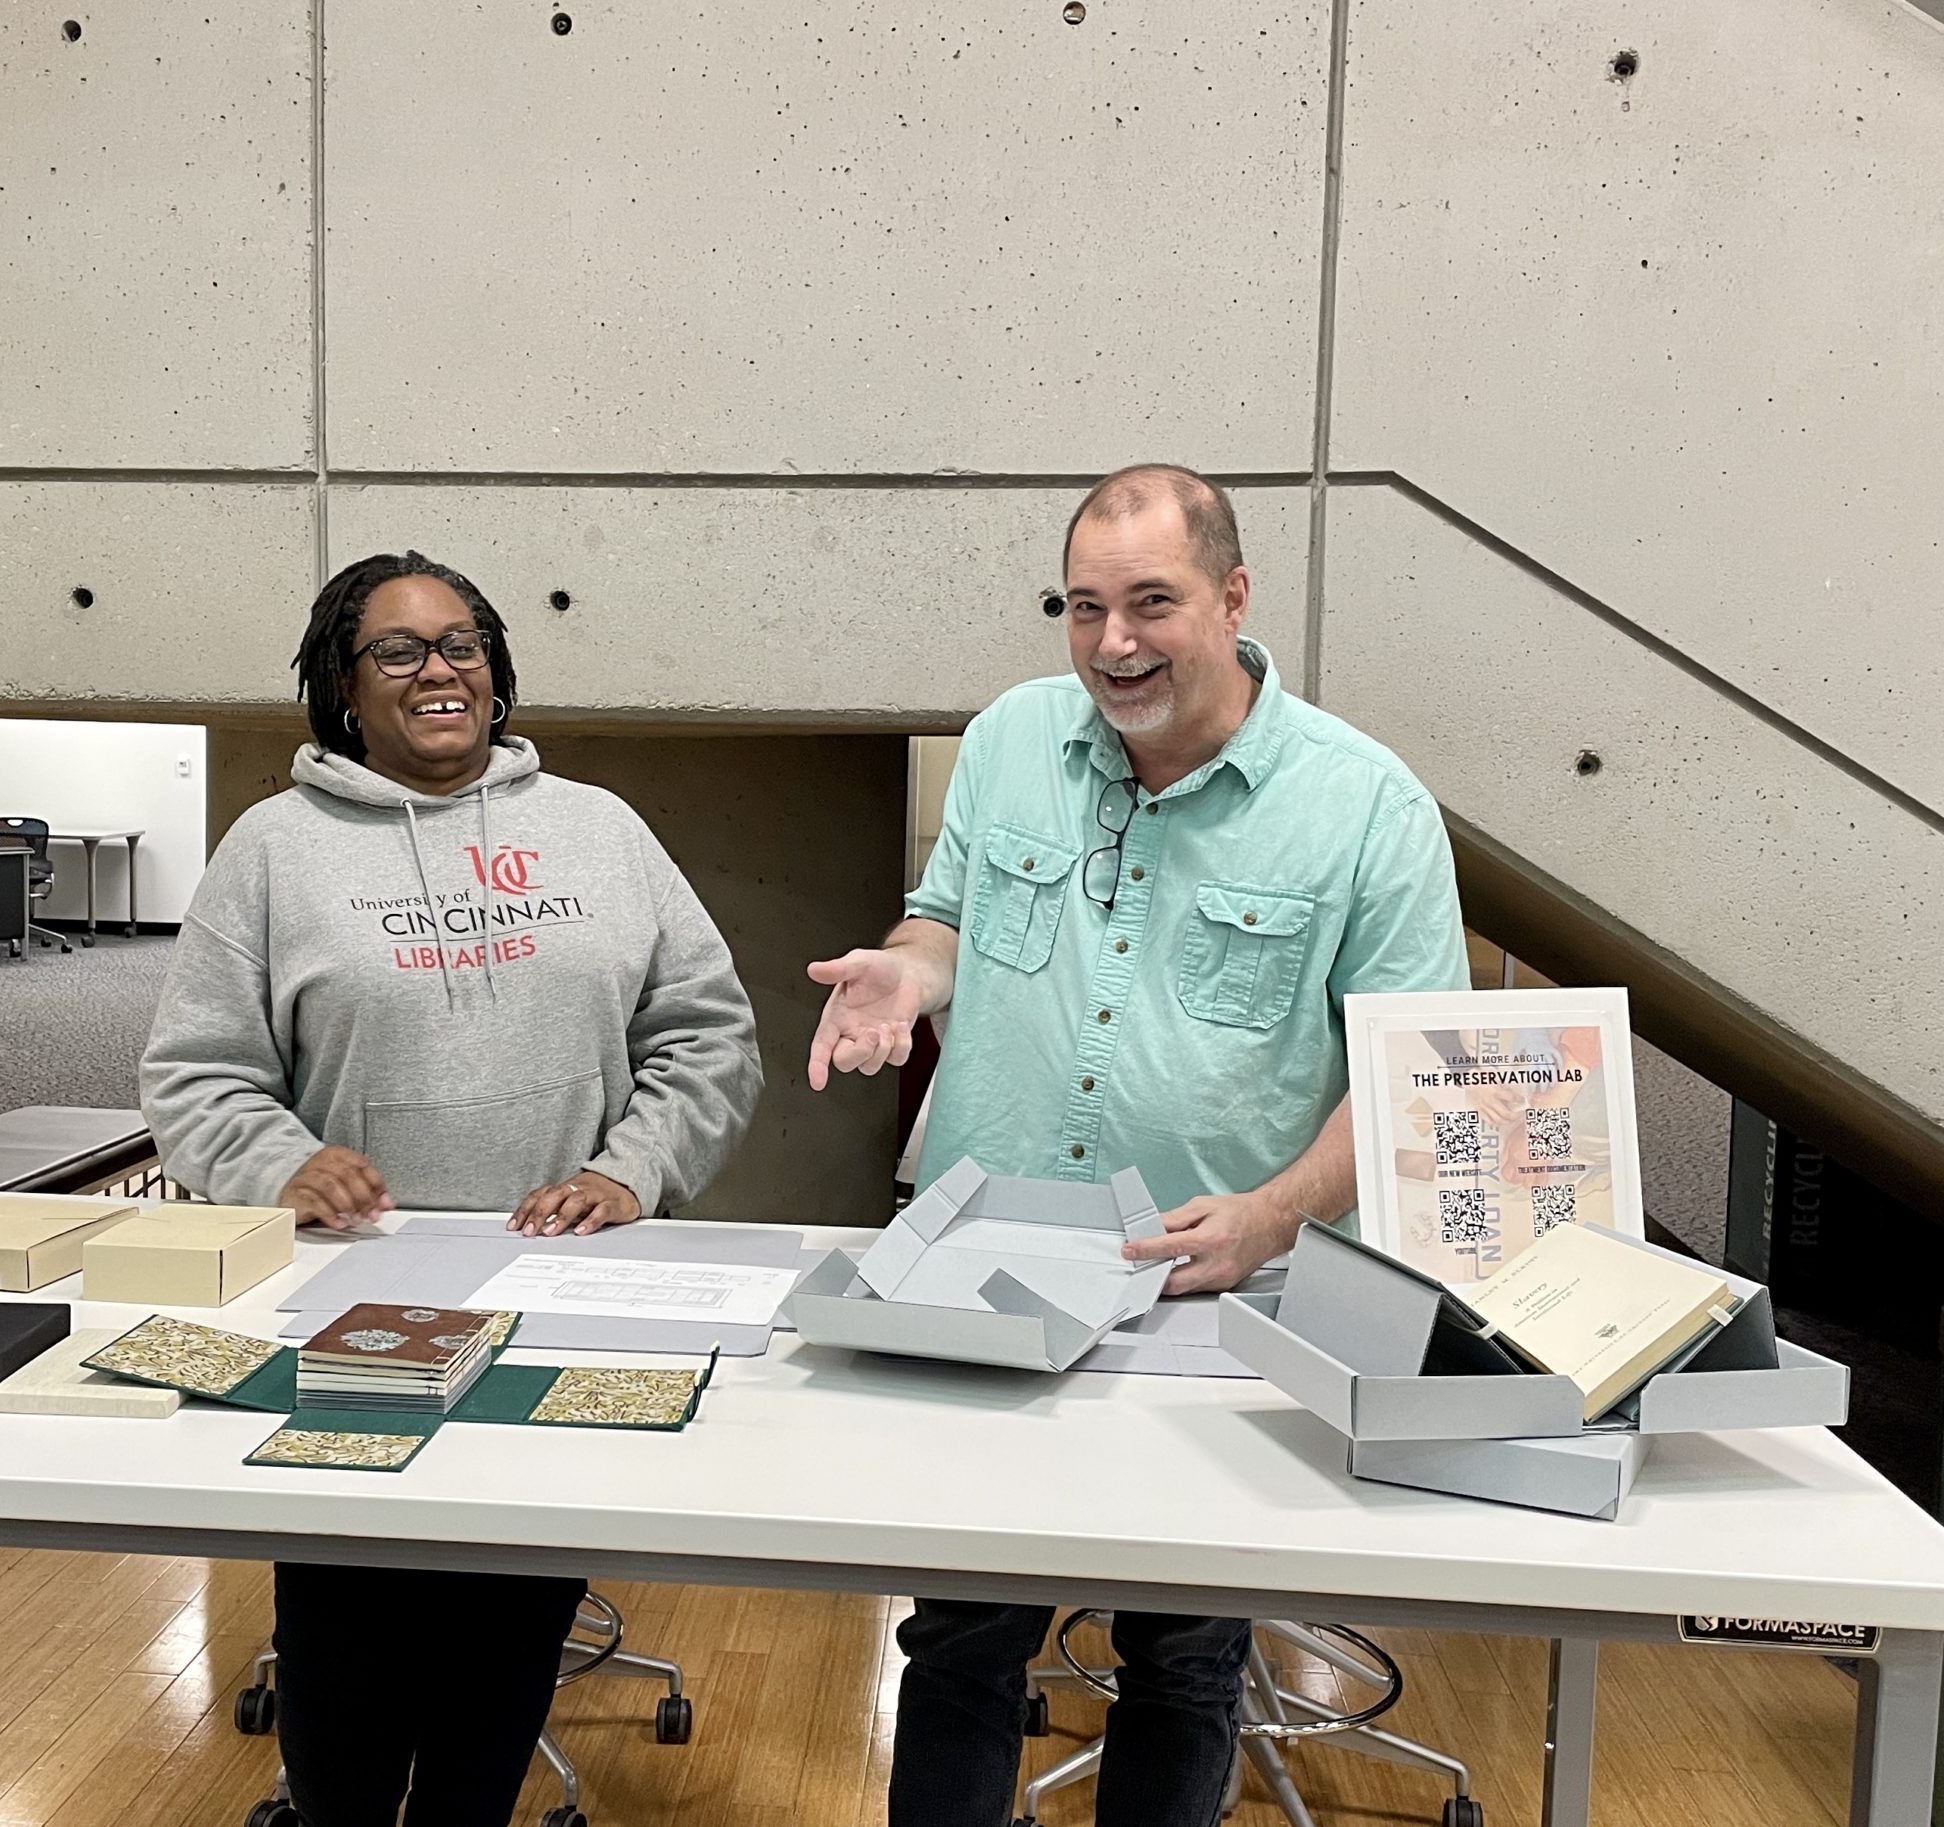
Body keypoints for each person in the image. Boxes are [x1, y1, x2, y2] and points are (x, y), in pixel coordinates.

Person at [806, 465, 1467, 1827]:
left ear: (1231, 596)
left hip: (1210, 1287)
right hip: (985, 1265)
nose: (1114, 643)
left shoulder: (1367, 805)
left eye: (1152, 602)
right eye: (1086, 606)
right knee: (962, 1637)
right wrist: (912, 975)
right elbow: (942, 915)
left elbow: (1409, 1079)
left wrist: (1275, 1214)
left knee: (1182, 1651)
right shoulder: (1006, 741)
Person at [140, 549, 761, 1827]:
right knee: (346, 1632)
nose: (440, 669)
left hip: (565, 1291)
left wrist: (627, 1168)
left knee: (509, 1620)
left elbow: (710, 1035)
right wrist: (277, 1162)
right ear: (342, 685)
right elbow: (195, 1073)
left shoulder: (603, 829)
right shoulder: (271, 850)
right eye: (400, 649)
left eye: (463, 641)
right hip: (349, 1304)